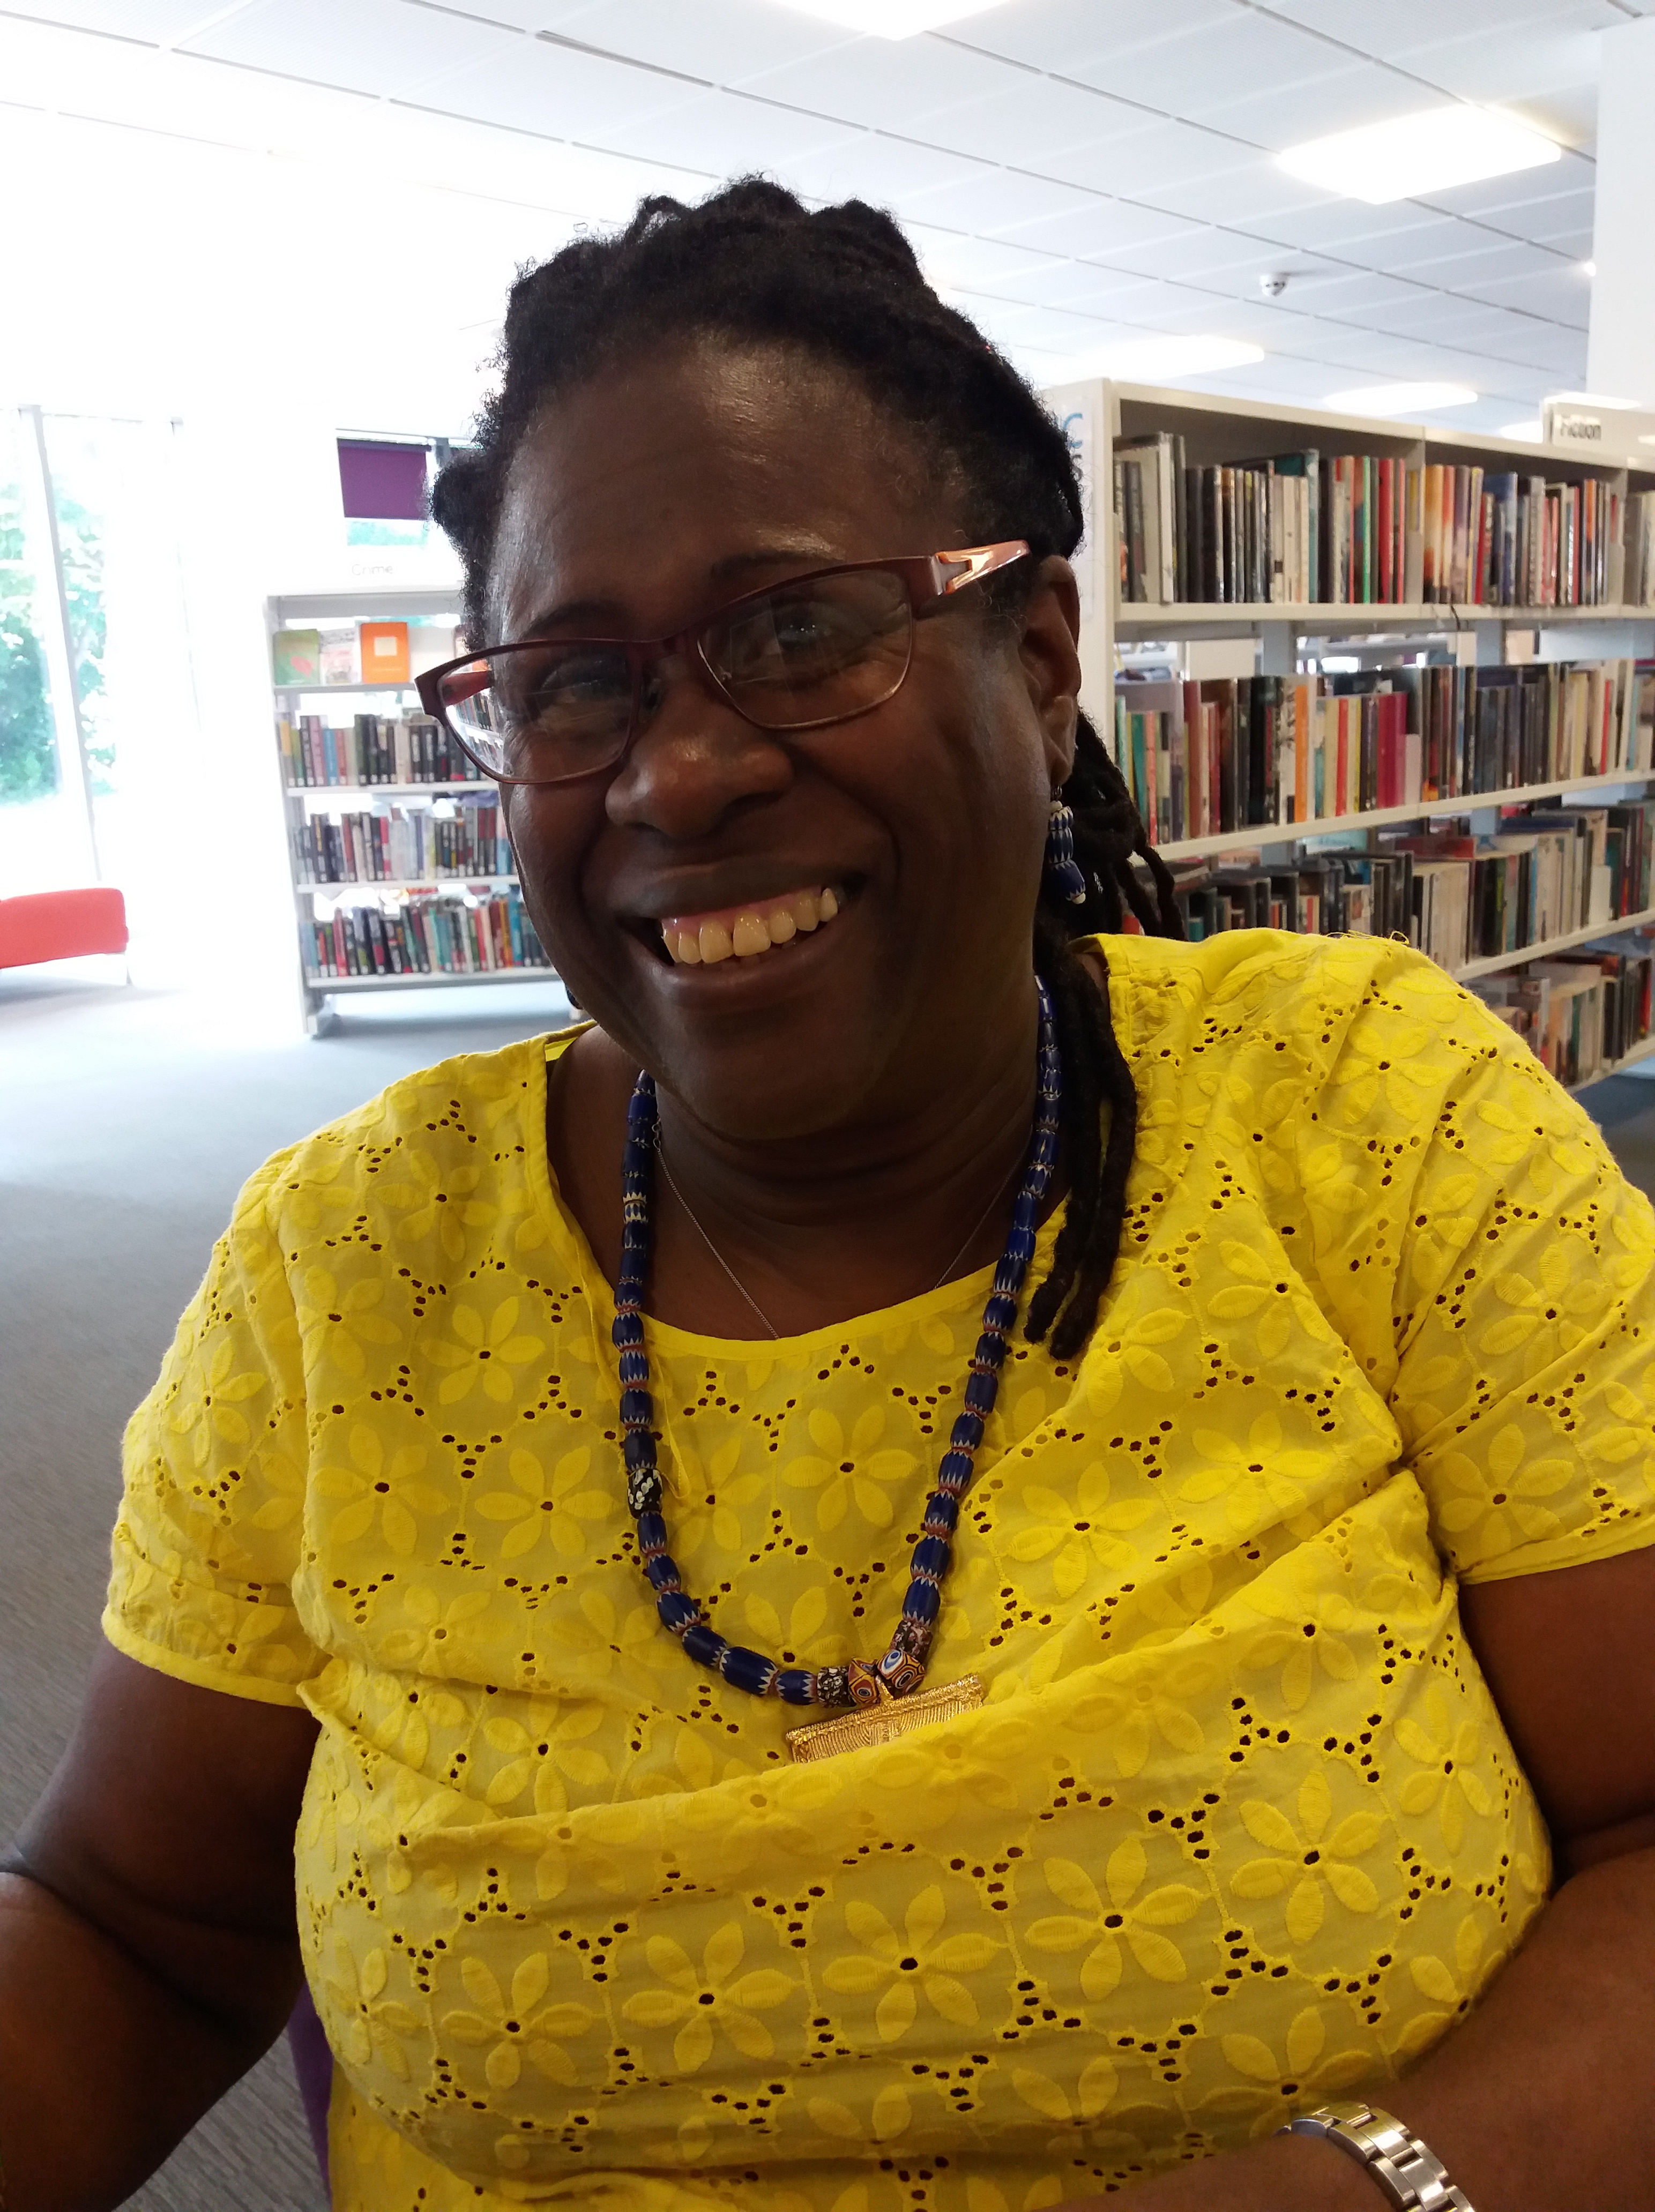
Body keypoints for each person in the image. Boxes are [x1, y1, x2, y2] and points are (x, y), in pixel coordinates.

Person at [1, 180, 1652, 2212]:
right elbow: (130, 1923)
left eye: (795, 631)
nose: (676, 776)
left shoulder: (1368, 1115)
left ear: (1037, 661)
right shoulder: (343, 1268)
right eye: (574, 682)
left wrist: (1364, 2192)